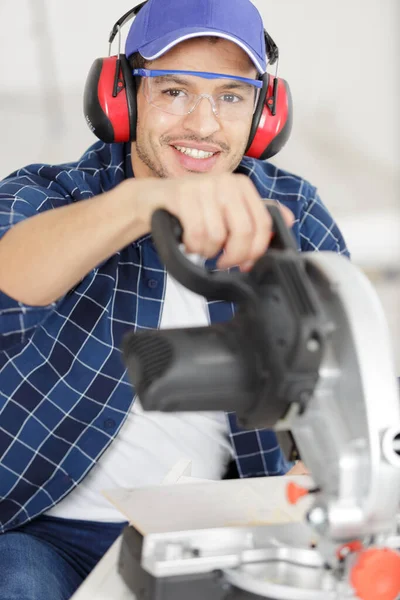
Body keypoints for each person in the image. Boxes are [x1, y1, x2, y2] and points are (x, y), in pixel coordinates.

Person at [0, 0, 349, 597]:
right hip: (39, 529)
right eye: (174, 91)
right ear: (122, 96)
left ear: (266, 113)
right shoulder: (49, 194)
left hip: (217, 529)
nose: (204, 125)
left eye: (231, 96)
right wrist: (144, 204)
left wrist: (323, 467)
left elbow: (344, 377)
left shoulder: (295, 211)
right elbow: (12, 272)